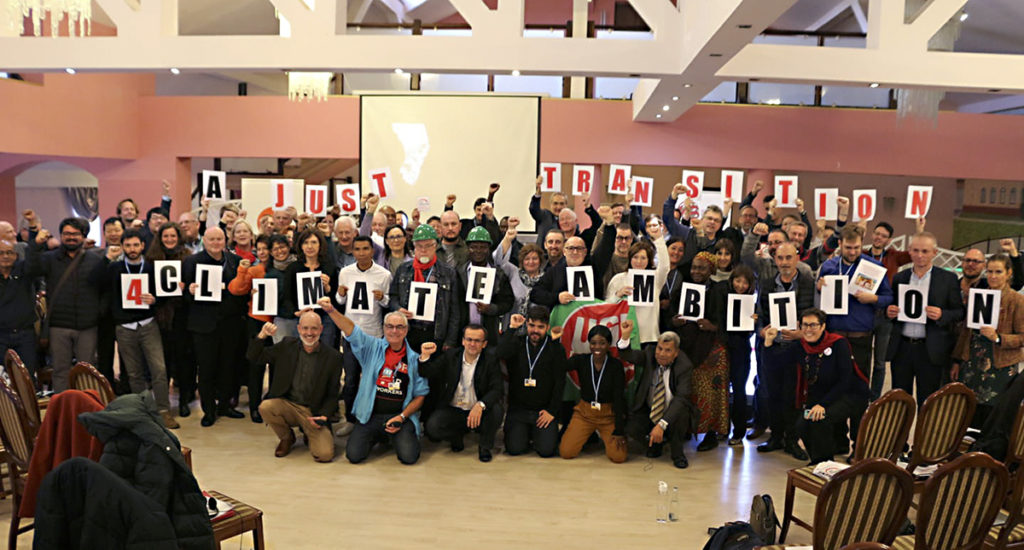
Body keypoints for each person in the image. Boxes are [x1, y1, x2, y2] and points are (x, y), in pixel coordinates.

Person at [321, 298, 429, 465]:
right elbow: (351, 330)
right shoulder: (372, 347)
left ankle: (392, 437)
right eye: (390, 326)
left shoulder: (415, 359)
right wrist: (331, 310)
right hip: (370, 416)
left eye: (400, 327)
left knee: (409, 458)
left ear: (406, 330)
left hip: (399, 417)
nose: (394, 331)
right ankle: (378, 436)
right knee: (354, 456)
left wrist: (401, 417)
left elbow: (420, 396)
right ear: (384, 328)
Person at [765, 308, 871, 465]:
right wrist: (768, 343)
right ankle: (819, 458)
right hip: (824, 395)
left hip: (850, 394)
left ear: (823, 326)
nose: (808, 330)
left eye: (813, 325)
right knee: (801, 424)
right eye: (805, 325)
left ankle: (825, 463)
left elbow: (845, 380)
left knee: (820, 419)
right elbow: (776, 363)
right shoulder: (800, 346)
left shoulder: (838, 343)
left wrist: (822, 405)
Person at [100, 229, 178, 429]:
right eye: (128, 245)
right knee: (134, 374)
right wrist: (106, 260)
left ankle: (163, 410)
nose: (132, 249)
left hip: (148, 324)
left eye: (135, 245)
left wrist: (155, 299)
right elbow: (97, 284)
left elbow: (166, 292)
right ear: (122, 246)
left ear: (142, 246)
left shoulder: (151, 268)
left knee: (159, 369)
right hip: (124, 327)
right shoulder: (114, 268)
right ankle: (144, 411)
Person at [26, 217, 113, 391]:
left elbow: (105, 289)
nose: (71, 237)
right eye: (66, 234)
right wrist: (35, 244)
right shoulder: (50, 259)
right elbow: (31, 269)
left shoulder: (95, 260)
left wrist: (98, 312)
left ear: (83, 236)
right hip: (59, 325)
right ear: (61, 235)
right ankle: (62, 410)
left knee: (87, 370)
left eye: (75, 234)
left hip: (88, 325)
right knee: (60, 371)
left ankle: (86, 409)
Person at [247, 312, 342, 462]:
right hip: (288, 404)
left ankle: (308, 431)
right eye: (305, 328)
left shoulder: (333, 357)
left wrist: (324, 415)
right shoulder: (286, 345)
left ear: (321, 329)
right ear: (298, 329)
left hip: (313, 411)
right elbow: (254, 357)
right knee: (266, 407)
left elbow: (332, 393)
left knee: (324, 455)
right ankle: (287, 438)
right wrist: (262, 335)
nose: (309, 333)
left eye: (314, 329)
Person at [886, 232, 964, 407]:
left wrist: (942, 314)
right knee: (899, 401)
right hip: (902, 348)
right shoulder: (900, 278)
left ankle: (925, 435)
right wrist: (889, 312)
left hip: (930, 351)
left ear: (934, 252)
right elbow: (889, 307)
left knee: (928, 402)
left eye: (925, 251)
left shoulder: (948, 279)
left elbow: (959, 312)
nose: (920, 255)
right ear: (909, 251)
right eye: (916, 250)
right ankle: (899, 434)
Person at [816, 225, 893, 399]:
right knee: (833, 383)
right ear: (840, 244)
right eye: (848, 248)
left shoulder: (873, 267)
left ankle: (859, 423)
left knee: (859, 385)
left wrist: (874, 299)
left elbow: (888, 297)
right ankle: (837, 425)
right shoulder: (829, 266)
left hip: (861, 336)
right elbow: (819, 300)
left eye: (857, 248)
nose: (852, 252)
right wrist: (819, 288)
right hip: (834, 335)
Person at [756, 242, 814, 460]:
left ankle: (792, 440)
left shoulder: (808, 283)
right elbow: (759, 314)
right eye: (780, 258)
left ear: (797, 258)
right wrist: (761, 331)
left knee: (794, 397)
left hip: (798, 348)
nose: (784, 263)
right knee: (772, 394)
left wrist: (802, 334)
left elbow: (817, 316)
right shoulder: (768, 283)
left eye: (788, 258)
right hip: (773, 347)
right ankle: (775, 436)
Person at [183, 227, 246, 426]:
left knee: (228, 366)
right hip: (203, 325)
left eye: (220, 239)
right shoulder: (192, 262)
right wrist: (191, 291)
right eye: (212, 239)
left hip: (231, 323)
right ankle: (209, 410)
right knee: (207, 369)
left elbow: (241, 292)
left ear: (225, 240)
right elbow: (182, 293)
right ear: (205, 240)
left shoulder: (235, 262)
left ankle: (225, 405)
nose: (216, 242)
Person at [952, 254, 1024, 428]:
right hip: (972, 363)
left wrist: (999, 338)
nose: (992, 276)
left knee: (993, 416)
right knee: (968, 412)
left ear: (1008, 273)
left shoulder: (1017, 301)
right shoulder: (977, 295)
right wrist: (957, 361)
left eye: (998, 272)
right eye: (989, 271)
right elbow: (965, 332)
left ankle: (988, 452)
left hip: (1000, 367)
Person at [669, 252, 730, 452]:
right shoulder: (682, 289)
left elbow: (728, 322)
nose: (696, 271)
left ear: (711, 270)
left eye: (701, 268)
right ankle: (686, 427)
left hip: (711, 352)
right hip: (687, 349)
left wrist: (712, 326)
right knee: (687, 391)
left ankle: (711, 434)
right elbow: (669, 316)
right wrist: (674, 321)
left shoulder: (719, 291)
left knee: (710, 396)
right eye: (694, 267)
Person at [419, 325, 504, 462]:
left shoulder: (490, 360)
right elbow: (427, 372)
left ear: (484, 344)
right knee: (433, 427)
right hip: (454, 408)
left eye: (477, 341)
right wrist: (425, 356)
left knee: (496, 411)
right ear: (463, 341)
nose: (472, 344)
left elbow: (497, 389)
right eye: (469, 339)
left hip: (478, 410)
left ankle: (484, 446)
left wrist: (480, 405)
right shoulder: (451, 355)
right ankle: (456, 436)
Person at [620, 322, 695, 469]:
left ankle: (677, 453)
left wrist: (662, 424)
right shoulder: (649, 353)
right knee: (631, 426)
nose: (661, 353)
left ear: (676, 353)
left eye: (667, 350)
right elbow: (627, 355)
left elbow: (681, 398)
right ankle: (656, 444)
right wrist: (625, 335)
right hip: (650, 408)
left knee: (681, 415)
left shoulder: (684, 366)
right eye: (660, 348)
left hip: (672, 411)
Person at [336, 235, 393, 430]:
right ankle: (350, 420)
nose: (361, 253)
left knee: (373, 380)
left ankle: (372, 419)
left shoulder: (384, 274)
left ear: (372, 251)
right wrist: (340, 294)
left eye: (365, 249)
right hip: (350, 335)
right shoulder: (345, 272)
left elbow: (388, 304)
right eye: (357, 249)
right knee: (351, 380)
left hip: (373, 336)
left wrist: (382, 298)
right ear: (353, 251)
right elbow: (341, 302)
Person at [553, 324, 628, 463]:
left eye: (602, 343)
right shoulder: (581, 360)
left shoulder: (615, 365)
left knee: (619, 457)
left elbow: (618, 397)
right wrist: (555, 342)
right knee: (566, 452)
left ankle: (594, 436)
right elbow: (560, 365)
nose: (597, 347)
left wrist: (619, 429)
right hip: (585, 414)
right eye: (593, 343)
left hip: (608, 415)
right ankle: (588, 435)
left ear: (608, 344)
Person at [228, 234, 282, 423]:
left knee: (277, 365)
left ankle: (273, 403)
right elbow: (235, 289)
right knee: (255, 366)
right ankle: (254, 406)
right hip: (256, 321)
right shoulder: (254, 269)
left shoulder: (281, 269)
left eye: (265, 248)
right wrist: (243, 271)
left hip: (278, 321)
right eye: (258, 249)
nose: (262, 252)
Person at [498, 309, 566, 458]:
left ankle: (536, 433)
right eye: (531, 325)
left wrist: (552, 411)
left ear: (547, 327)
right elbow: (500, 353)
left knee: (546, 451)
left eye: (540, 327)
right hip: (518, 410)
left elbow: (560, 382)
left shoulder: (556, 348)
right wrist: (512, 328)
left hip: (543, 411)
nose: (535, 330)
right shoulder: (517, 342)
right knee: (514, 449)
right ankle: (525, 432)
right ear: (527, 325)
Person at [147, 222, 196, 417]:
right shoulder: (150, 259)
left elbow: (194, 287)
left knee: (184, 360)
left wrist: (186, 288)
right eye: (165, 236)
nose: (169, 240)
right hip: (158, 317)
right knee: (162, 361)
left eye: (172, 236)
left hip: (182, 316)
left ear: (179, 237)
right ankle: (163, 403)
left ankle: (184, 400)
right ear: (160, 238)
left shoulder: (188, 258)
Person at [389, 224, 461, 352]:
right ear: (414, 247)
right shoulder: (403, 269)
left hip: (435, 332)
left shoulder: (448, 273)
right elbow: (393, 297)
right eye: (419, 246)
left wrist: (450, 340)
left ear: (436, 246)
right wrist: (398, 309)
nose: (423, 250)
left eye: (428, 245)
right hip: (408, 331)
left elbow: (455, 310)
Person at [606, 223, 669, 346]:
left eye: (643, 258)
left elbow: (665, 267)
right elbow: (607, 306)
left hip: (650, 337)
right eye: (635, 257)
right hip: (624, 336)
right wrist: (618, 295)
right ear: (630, 259)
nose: (639, 262)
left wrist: (659, 239)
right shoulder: (618, 279)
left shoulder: (655, 279)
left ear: (649, 260)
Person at [283, 229, 339, 349]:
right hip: (302, 317)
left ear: (320, 245)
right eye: (306, 242)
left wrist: (328, 288)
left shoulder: (329, 268)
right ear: (301, 246)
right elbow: (287, 296)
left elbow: (338, 298)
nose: (310, 246)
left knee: (325, 352)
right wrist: (296, 312)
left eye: (314, 242)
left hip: (325, 317)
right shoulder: (293, 268)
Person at [458, 226, 514, 346]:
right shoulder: (459, 273)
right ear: (468, 248)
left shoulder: (499, 275)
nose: (478, 251)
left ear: (489, 249)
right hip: (463, 335)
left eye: (483, 247)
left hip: (490, 336)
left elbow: (508, 302)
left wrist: (492, 308)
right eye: (474, 247)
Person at [726, 265, 757, 444]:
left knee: (739, 391)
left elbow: (751, 332)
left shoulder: (752, 303)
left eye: (745, 282)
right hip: (725, 348)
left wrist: (753, 322)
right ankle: (720, 429)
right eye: (738, 281)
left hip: (742, 350)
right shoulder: (725, 297)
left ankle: (738, 432)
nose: (740, 285)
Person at [493, 219, 545, 323]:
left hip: (536, 329)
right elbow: (498, 261)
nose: (531, 262)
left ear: (540, 261)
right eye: (527, 259)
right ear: (521, 261)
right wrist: (508, 238)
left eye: (534, 258)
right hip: (512, 328)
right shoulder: (513, 272)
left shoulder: (546, 279)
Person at [0, 238, 38, 375]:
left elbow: (33, 262)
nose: (5, 256)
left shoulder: (24, 271)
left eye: (9, 252)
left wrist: (34, 234)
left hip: (24, 335)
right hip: (1, 335)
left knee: (27, 378)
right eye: (1, 253)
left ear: (16, 255)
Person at [530, 175, 568, 245]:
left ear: (566, 205)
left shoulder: (570, 220)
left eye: (561, 204)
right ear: (551, 204)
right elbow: (533, 209)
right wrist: (538, 192)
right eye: (555, 203)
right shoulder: (544, 216)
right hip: (543, 254)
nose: (558, 207)